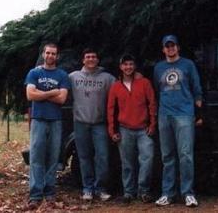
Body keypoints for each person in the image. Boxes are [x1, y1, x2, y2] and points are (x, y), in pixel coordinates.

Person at [153, 35, 203, 207]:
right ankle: (168, 193)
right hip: (164, 115)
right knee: (167, 156)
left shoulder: (188, 65)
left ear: (178, 47)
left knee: (186, 155)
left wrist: (198, 112)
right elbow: (157, 90)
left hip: (184, 114)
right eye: (167, 46)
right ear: (163, 49)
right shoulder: (159, 68)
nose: (170, 48)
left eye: (173, 45)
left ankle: (188, 193)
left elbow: (197, 90)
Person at [25, 43, 70, 210]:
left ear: (57, 56)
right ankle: (35, 195)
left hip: (55, 120)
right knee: (36, 157)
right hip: (38, 120)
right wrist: (52, 92)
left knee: (53, 158)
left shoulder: (62, 75)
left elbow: (62, 99)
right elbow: (30, 94)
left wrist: (40, 94)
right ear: (43, 54)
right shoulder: (34, 72)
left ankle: (50, 193)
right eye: (48, 53)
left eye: (54, 53)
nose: (51, 56)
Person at [107, 54, 157, 204]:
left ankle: (144, 191)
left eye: (130, 64)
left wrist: (152, 124)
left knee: (147, 160)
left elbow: (152, 104)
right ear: (121, 67)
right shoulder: (115, 86)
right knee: (127, 163)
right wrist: (112, 131)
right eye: (125, 64)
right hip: (124, 129)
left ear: (134, 66)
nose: (128, 67)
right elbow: (110, 109)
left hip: (143, 130)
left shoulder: (144, 83)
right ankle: (128, 192)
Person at [69, 48, 116, 201]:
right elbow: (58, 84)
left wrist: (137, 75)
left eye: (93, 57)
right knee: (84, 157)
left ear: (97, 60)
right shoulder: (73, 77)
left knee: (102, 157)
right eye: (88, 56)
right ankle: (87, 189)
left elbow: (123, 84)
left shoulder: (107, 78)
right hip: (80, 124)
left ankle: (100, 188)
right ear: (83, 60)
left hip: (99, 124)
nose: (91, 59)